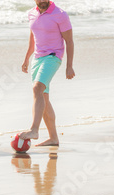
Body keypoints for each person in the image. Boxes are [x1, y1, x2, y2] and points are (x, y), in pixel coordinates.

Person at [19, 0, 75, 146]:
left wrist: (69, 66)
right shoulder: (32, 14)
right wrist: (27, 58)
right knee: (43, 97)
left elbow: (69, 41)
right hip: (37, 59)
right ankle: (53, 138)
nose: (42, 1)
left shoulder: (60, 14)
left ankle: (34, 130)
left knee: (37, 88)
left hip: (53, 56)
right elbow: (33, 38)